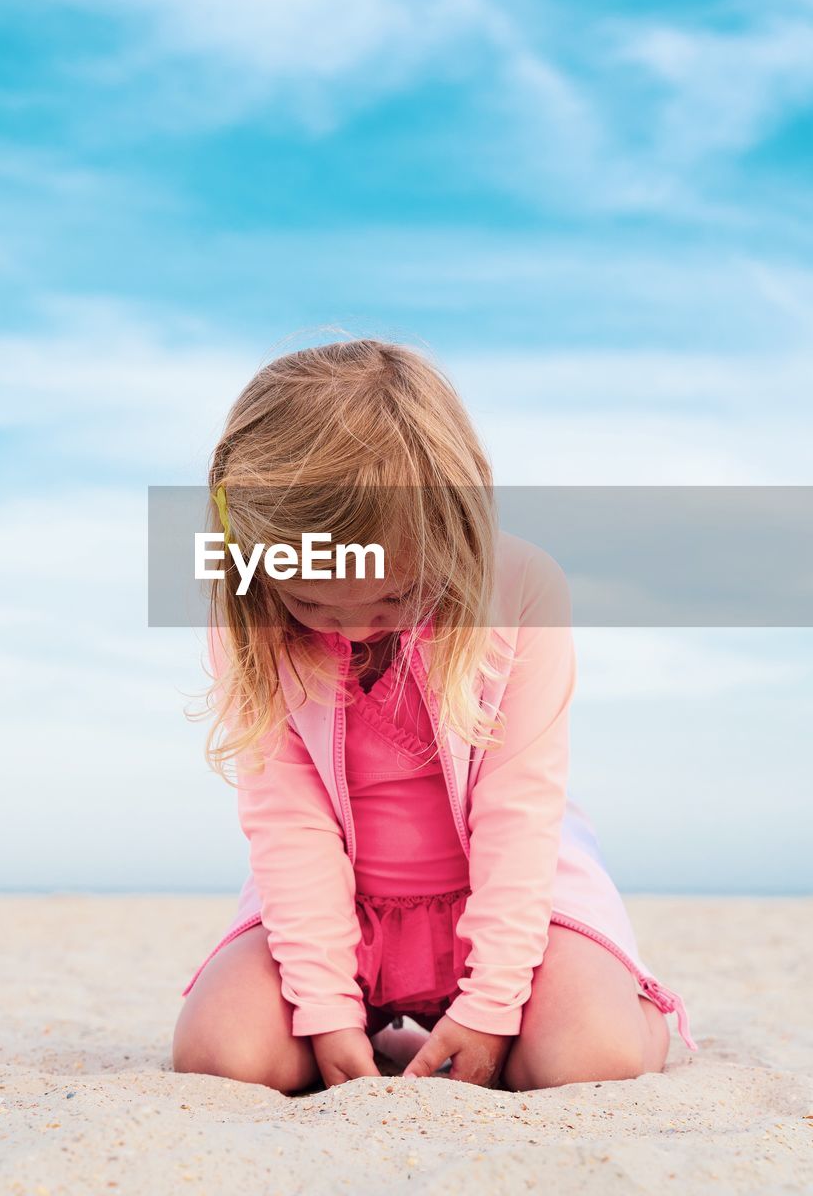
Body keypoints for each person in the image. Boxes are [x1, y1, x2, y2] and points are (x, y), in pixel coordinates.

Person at [171, 338, 696, 1094]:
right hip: (341, 912)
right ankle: (375, 1016)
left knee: (584, 1060)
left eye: (392, 600)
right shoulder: (250, 606)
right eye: (313, 604)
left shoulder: (518, 589)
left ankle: (634, 1003)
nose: (350, 631)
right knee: (224, 1056)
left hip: (511, 901)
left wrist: (491, 1003)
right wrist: (324, 1009)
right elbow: (287, 819)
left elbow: (517, 810)